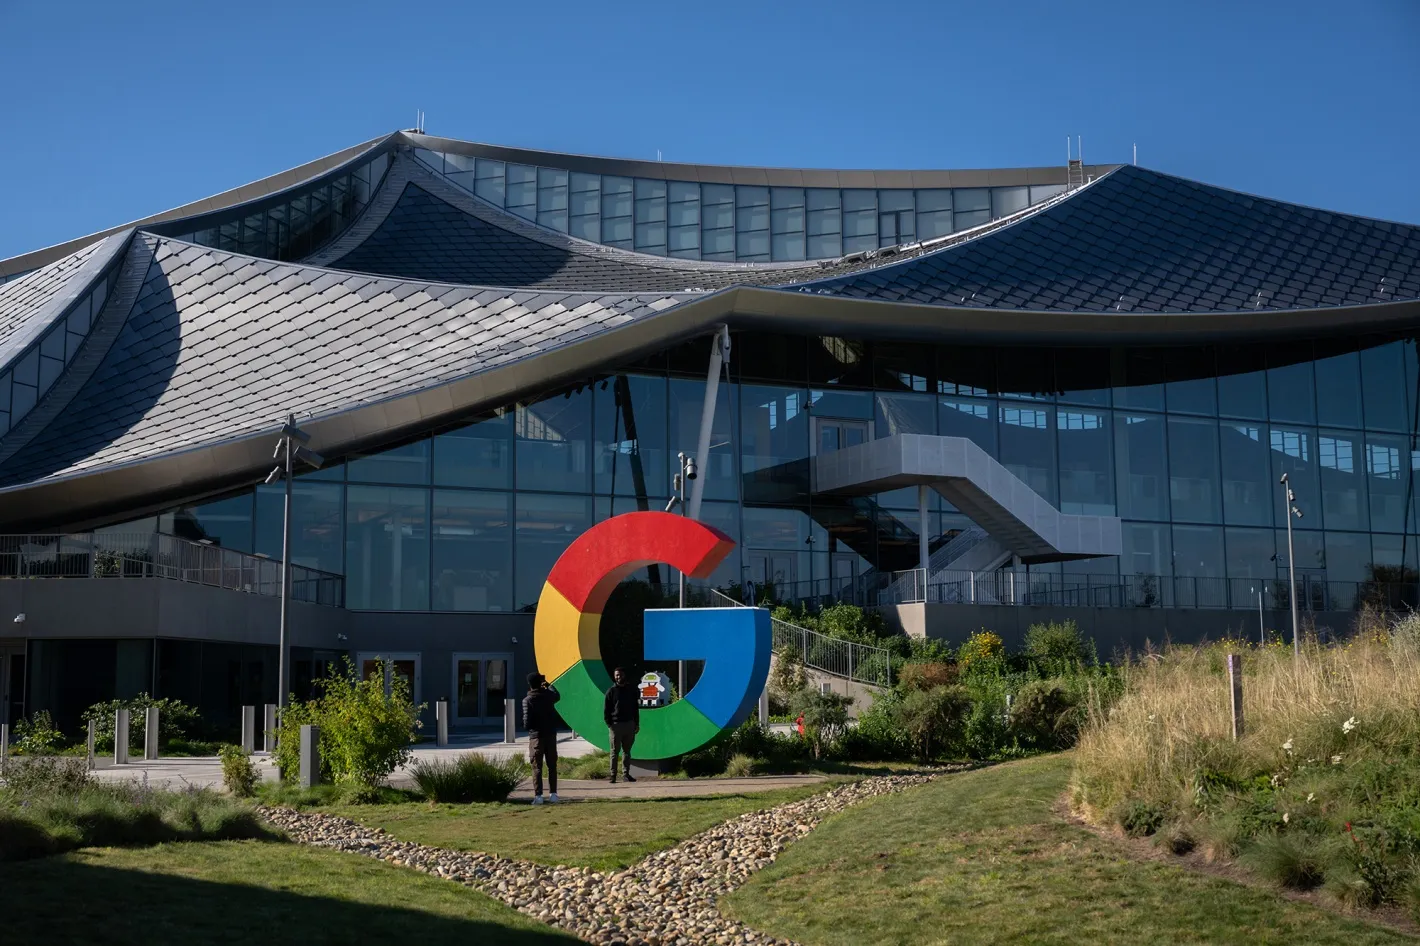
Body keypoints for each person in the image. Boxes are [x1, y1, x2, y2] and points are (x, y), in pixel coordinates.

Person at [522, 671, 561, 804]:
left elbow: (526, 723)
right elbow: (557, 696)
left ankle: (538, 796)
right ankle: (553, 794)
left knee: (537, 767)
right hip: (550, 734)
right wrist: (549, 685)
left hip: (536, 736)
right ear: (541, 683)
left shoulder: (527, 700)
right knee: (552, 766)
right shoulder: (548, 696)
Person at [603, 666, 640, 783]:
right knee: (614, 752)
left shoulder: (631, 690)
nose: (618, 677)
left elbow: (635, 708)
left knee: (627, 752)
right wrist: (610, 725)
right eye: (616, 675)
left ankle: (626, 774)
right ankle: (613, 775)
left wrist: (636, 723)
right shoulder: (611, 691)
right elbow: (606, 710)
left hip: (629, 724)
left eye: (620, 675)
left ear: (624, 675)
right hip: (615, 725)